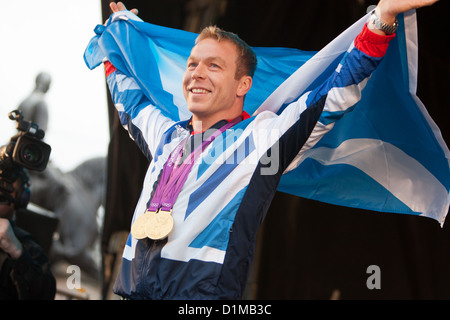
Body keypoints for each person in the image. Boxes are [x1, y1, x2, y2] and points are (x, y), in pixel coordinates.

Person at [99, 0, 439, 300]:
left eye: (213, 66)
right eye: (192, 64)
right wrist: (114, 43)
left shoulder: (259, 141)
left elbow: (332, 95)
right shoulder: (166, 138)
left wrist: (381, 18)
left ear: (242, 85)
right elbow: (129, 99)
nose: (197, 73)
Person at [0, 168, 56, 299]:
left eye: (4, 192)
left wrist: (17, 252)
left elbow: (44, 295)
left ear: (21, 199)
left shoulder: (26, 246)